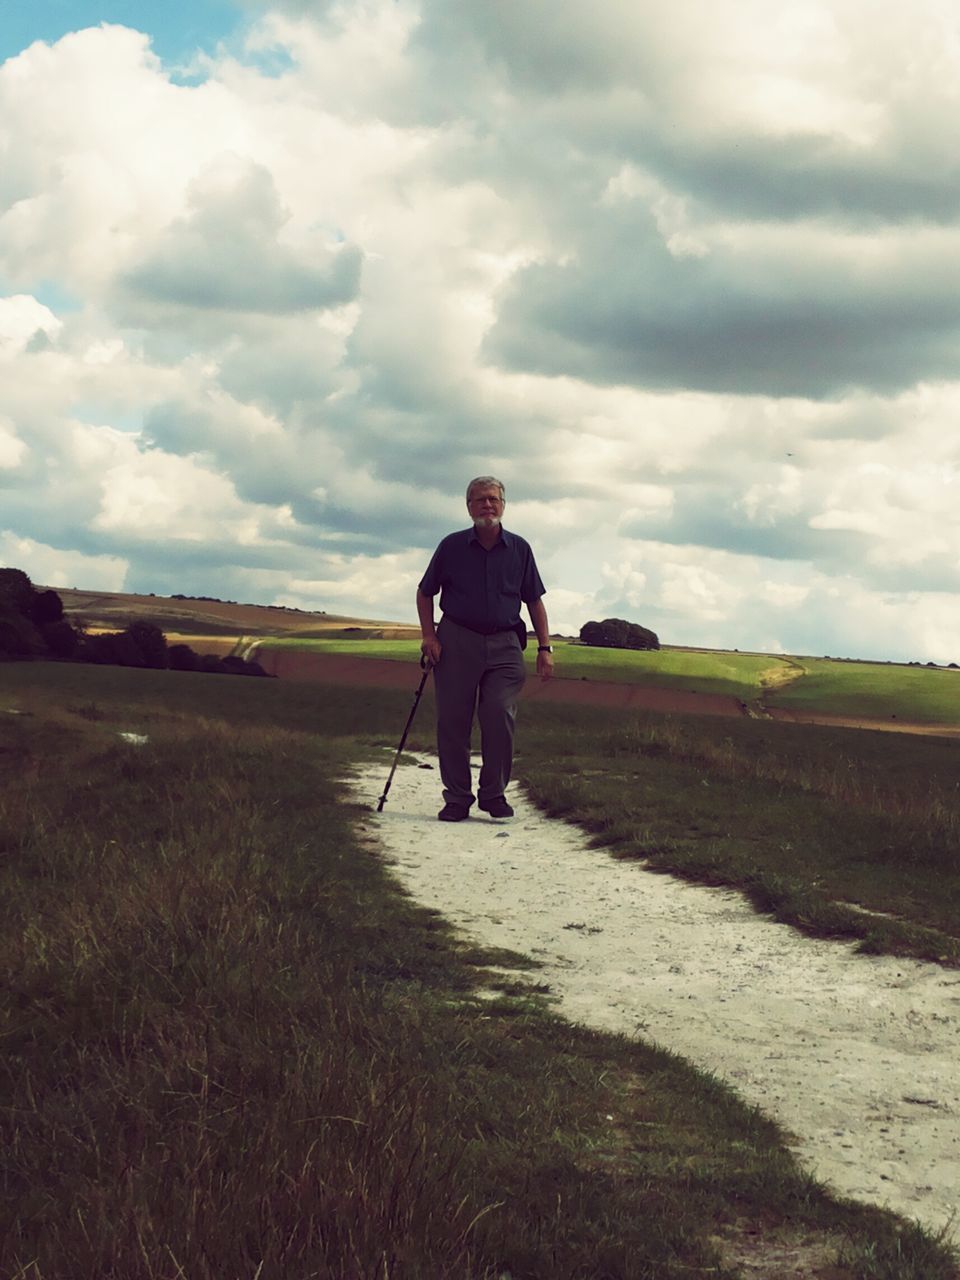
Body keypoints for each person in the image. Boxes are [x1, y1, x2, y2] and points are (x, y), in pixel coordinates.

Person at [416, 475, 554, 821]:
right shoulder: (451, 547)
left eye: (493, 499)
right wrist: (429, 636)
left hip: (506, 644)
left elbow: (534, 601)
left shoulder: (520, 549)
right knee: (453, 720)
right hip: (456, 640)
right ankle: (457, 799)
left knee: (498, 713)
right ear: (468, 507)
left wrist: (545, 647)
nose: (487, 505)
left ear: (503, 505)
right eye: (479, 500)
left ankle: (493, 795)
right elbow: (425, 592)